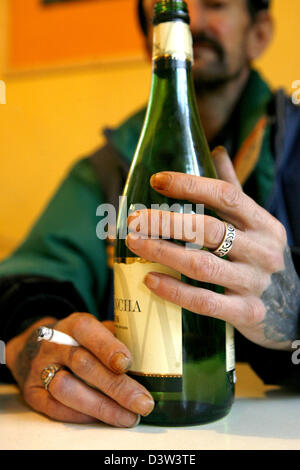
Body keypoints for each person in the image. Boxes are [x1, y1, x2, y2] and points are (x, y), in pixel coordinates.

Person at [0, 0, 299, 427]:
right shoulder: (106, 171)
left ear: (260, 31)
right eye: (171, 13)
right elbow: (30, 275)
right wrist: (35, 333)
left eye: (214, 3)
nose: (192, 19)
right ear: (155, 42)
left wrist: (295, 311)